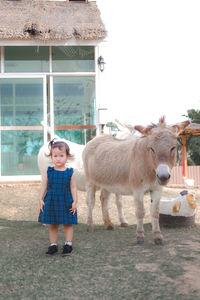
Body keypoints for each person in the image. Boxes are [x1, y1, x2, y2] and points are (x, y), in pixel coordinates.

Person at [38, 140, 78, 256]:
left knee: (68, 224)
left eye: (61, 156)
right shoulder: (49, 171)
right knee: (53, 224)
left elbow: (73, 188)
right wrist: (40, 198)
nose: (58, 158)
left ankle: (68, 244)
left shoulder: (70, 172)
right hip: (51, 201)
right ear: (51, 157)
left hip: (66, 201)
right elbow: (44, 185)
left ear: (67, 156)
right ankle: (53, 245)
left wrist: (75, 201)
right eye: (55, 156)